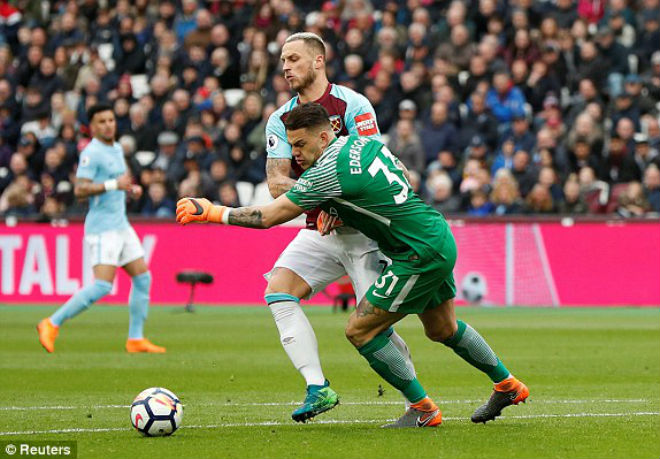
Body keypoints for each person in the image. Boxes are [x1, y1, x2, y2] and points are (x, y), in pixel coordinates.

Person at [176, 103, 529, 428]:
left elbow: (268, 216)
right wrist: (340, 206)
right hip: (435, 235)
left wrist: (212, 212)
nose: (295, 154)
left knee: (360, 331)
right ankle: (508, 385)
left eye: (300, 144)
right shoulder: (362, 144)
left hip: (416, 254)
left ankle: (423, 410)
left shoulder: (325, 172)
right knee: (442, 329)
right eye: (292, 145)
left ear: (324, 136)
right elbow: (402, 177)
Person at [262, 32, 418, 422]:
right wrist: (324, 201)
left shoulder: (352, 105)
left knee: (375, 328)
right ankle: (317, 387)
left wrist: (339, 204)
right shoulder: (280, 119)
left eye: (294, 59)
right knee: (279, 291)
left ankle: (416, 404)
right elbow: (277, 182)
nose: (286, 67)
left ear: (319, 61)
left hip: (364, 233)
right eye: (283, 61)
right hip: (319, 229)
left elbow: (371, 165)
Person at [36, 104, 165, 354]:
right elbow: (80, 190)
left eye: (111, 120)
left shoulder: (116, 148)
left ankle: (135, 338)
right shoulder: (91, 153)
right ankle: (51, 323)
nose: (108, 125)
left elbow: (117, 182)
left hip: (121, 224)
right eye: (102, 121)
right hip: (103, 228)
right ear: (92, 127)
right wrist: (113, 185)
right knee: (103, 285)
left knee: (142, 278)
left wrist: (129, 189)